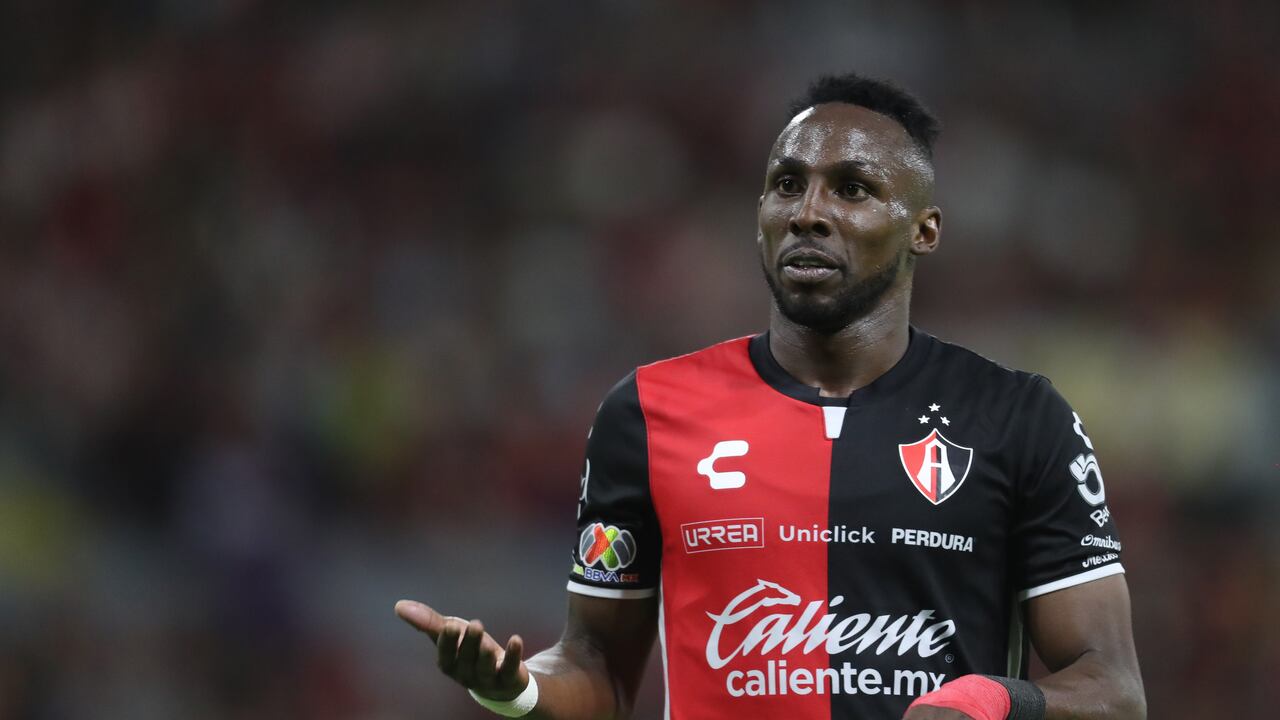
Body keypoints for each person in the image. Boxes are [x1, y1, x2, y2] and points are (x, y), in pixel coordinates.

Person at [395, 73, 1146, 720]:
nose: (808, 212)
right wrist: (520, 692)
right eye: (788, 184)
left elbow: (1113, 690)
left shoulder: (1018, 418)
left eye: (852, 189)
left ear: (924, 230)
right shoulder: (648, 412)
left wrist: (994, 701)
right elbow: (597, 666)